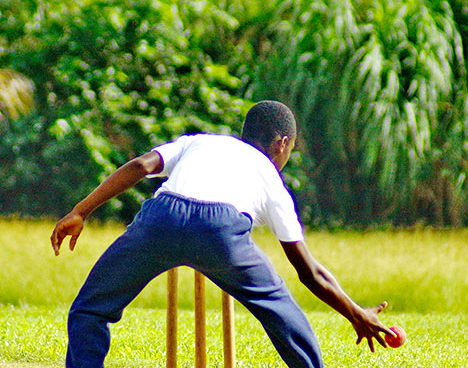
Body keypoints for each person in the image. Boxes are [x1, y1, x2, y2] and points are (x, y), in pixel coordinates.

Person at [51, 100, 396, 367]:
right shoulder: (272, 181)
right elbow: (309, 272)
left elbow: (142, 166)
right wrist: (355, 312)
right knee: (282, 311)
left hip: (161, 219)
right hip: (220, 232)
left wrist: (80, 211)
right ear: (283, 142)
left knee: (90, 309)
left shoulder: (201, 142)